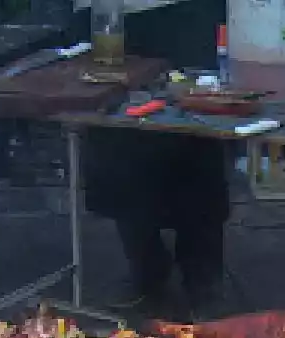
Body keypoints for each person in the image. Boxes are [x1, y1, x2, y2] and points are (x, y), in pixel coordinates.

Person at [79, 0, 230, 315]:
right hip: (107, 13)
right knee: (116, 143)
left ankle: (202, 276)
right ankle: (146, 267)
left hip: (179, 12)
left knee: (193, 136)